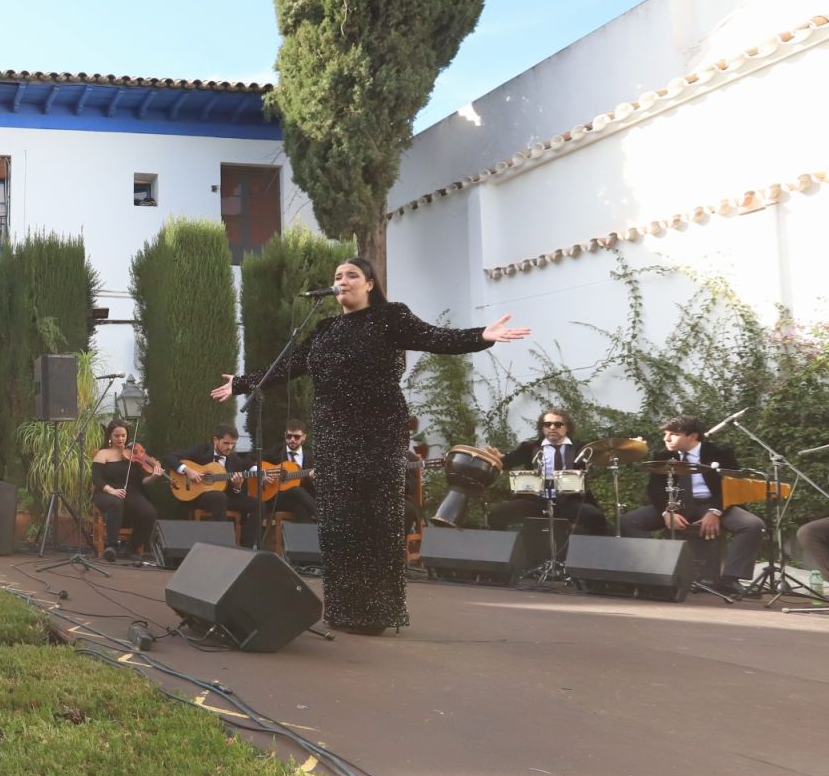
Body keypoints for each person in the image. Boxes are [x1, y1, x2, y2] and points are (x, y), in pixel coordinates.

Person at [213, 257, 529, 634]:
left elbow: (434, 338)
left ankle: (378, 612)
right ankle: (345, 610)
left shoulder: (390, 317)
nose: (342, 281)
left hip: (378, 430)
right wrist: (243, 383)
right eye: (337, 277)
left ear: (370, 284)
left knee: (375, 519)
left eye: (351, 275)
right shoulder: (325, 328)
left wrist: (480, 336)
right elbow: (292, 364)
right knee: (339, 522)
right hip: (334, 432)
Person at [619, 416, 766, 594]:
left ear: (693, 436)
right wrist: (667, 512)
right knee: (629, 521)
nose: (666, 438)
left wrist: (715, 511)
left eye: (673, 434)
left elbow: (733, 486)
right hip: (676, 505)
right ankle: (652, 571)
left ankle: (729, 580)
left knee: (753, 525)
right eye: (665, 434)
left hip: (710, 503)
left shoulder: (719, 453)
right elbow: (655, 490)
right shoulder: (663, 455)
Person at [485, 409, 609, 537]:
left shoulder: (580, 448)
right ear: (542, 428)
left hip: (569, 501)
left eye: (558, 424)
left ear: (567, 428)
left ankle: (594, 555)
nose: (552, 427)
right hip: (535, 500)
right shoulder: (529, 447)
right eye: (547, 424)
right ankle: (504, 552)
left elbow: (599, 462)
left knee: (595, 517)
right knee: (497, 513)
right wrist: (498, 459)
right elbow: (506, 462)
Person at [91, 420, 162, 558]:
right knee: (115, 502)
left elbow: (143, 481)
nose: (121, 439)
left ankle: (132, 548)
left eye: (123, 435)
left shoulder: (134, 454)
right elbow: (96, 479)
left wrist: (153, 476)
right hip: (105, 492)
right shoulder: (103, 454)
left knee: (149, 512)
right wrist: (111, 490)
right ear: (110, 437)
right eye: (117, 436)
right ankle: (112, 546)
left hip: (130, 492)